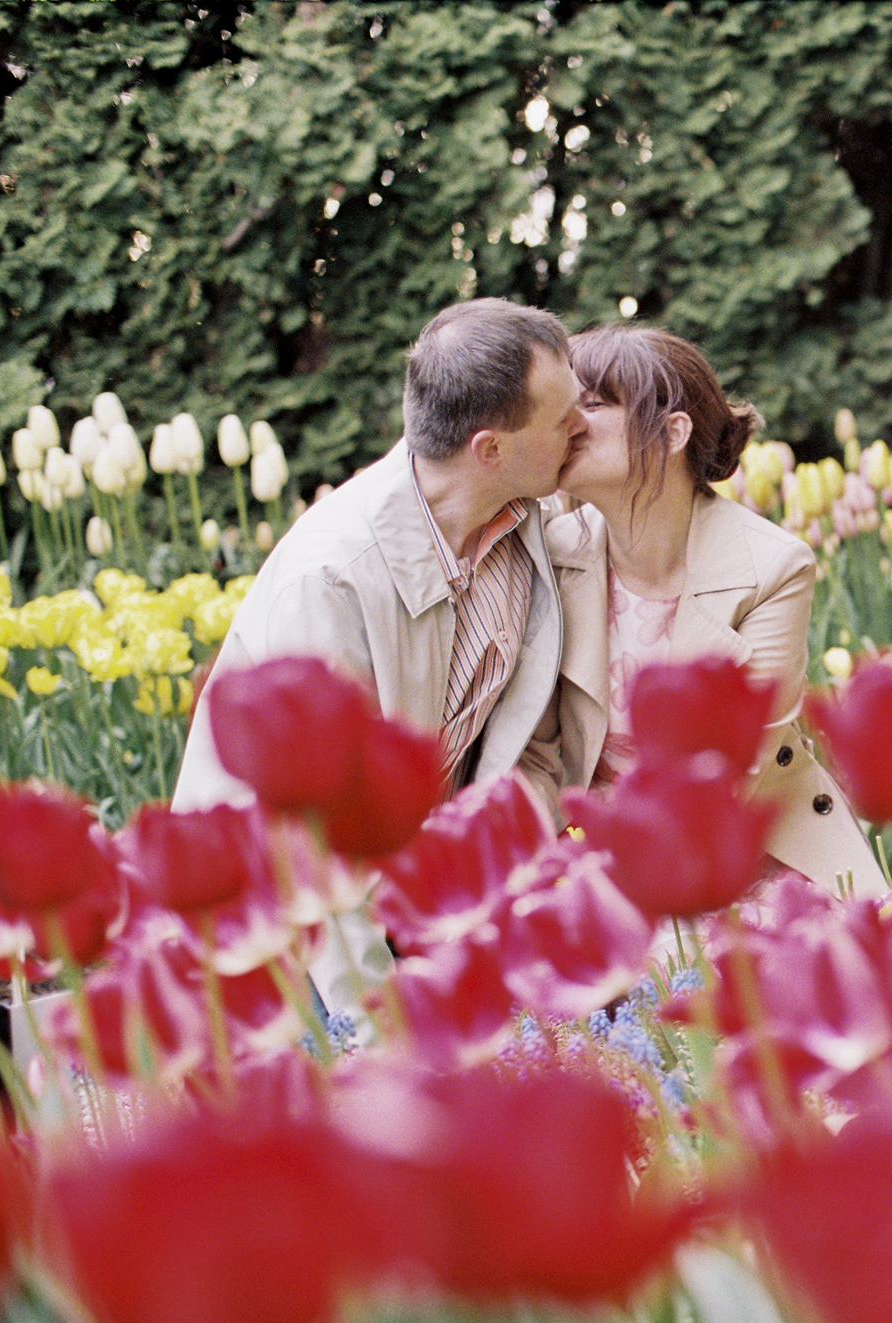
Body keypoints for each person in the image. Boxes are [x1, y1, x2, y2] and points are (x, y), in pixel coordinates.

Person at [173, 297, 584, 1017]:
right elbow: (315, 840)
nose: (581, 427)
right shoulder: (330, 578)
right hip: (271, 938)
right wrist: (376, 1029)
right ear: (489, 448)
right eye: (563, 419)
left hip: (415, 904)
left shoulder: (522, 522)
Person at [528, 323, 886, 896]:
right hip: (587, 854)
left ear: (672, 433)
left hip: (740, 853)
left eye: (592, 405)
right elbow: (535, 750)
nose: (568, 421)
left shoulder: (773, 566)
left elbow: (739, 767)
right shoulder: (549, 553)